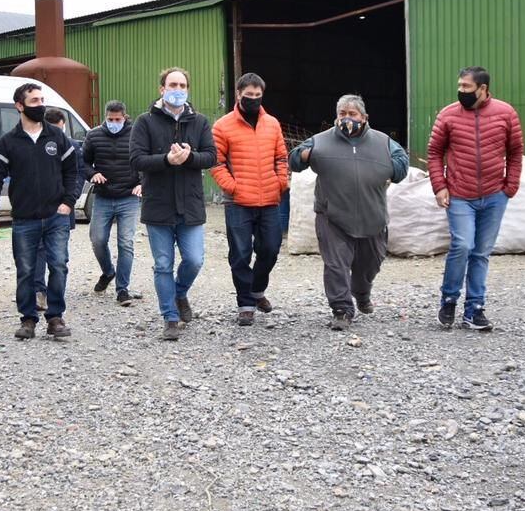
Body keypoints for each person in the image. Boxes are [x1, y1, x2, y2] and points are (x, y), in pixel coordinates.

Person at [289, 94, 408, 331]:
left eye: (352, 114)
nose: (347, 118)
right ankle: (341, 310)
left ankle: (362, 292)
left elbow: (401, 164)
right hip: (331, 215)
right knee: (336, 264)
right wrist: (302, 155)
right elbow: (295, 160)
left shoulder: (383, 142)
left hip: (371, 215)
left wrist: (392, 169)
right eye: (342, 114)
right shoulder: (320, 141)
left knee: (370, 263)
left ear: (364, 118)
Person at [428, 66, 524, 331]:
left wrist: (510, 186)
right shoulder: (448, 115)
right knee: (462, 245)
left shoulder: (505, 113)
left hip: (495, 195)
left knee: (481, 253)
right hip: (460, 195)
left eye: (466, 87)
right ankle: (448, 300)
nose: (461, 92)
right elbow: (435, 152)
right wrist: (440, 186)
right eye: (459, 86)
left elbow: (516, 152)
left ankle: (475, 310)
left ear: (482, 89)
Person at [0, 83, 80, 341]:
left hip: (56, 216)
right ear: (20, 106)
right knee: (26, 269)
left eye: (41, 99)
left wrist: (69, 201)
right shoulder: (8, 142)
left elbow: (73, 170)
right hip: (25, 219)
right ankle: (28, 319)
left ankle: (56, 318)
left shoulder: (57, 137)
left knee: (59, 265)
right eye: (34, 101)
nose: (41, 105)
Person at [130, 67, 217, 341]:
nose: (177, 89)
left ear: (188, 89)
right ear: (161, 89)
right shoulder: (145, 122)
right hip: (158, 206)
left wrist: (190, 158)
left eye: (182, 85)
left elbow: (211, 156)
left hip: (190, 205)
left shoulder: (200, 122)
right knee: (163, 263)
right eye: (172, 84)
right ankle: (169, 316)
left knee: (194, 259)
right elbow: (136, 160)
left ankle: (179, 293)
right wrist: (166, 160)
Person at [210, 72, 289, 326]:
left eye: (258, 95)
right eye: (249, 95)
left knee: (271, 248)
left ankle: (257, 290)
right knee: (240, 253)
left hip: (269, 199)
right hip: (238, 202)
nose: (253, 99)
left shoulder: (273, 124)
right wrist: (232, 187)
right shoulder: (223, 125)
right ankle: (246, 303)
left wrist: (281, 182)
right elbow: (216, 162)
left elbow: (281, 157)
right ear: (239, 94)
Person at [83, 100, 142, 306]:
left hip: (129, 196)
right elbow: (83, 163)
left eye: (117, 119)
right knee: (98, 239)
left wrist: (143, 183)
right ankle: (108, 272)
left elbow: (146, 160)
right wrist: (93, 173)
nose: (114, 123)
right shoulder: (93, 135)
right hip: (103, 196)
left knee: (126, 243)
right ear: (105, 118)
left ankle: (122, 289)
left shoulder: (137, 134)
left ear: (124, 117)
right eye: (110, 120)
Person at [30, 107, 89, 312]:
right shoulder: (33, 145)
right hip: (37, 209)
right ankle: (39, 291)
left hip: (62, 209)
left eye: (61, 130)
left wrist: (69, 201)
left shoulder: (72, 147)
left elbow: (80, 174)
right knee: (38, 250)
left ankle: (56, 295)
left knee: (59, 256)